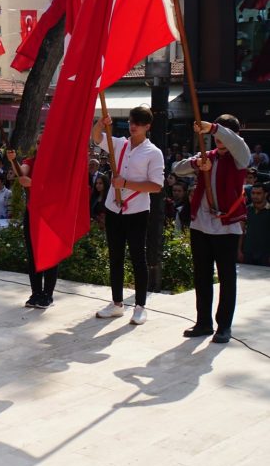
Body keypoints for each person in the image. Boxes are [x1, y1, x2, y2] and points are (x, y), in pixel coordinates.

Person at [173, 116, 251, 343]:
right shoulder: (208, 157)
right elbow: (177, 168)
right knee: (202, 276)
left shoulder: (240, 157)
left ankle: (224, 326)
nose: (218, 139)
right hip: (201, 226)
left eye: (223, 134)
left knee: (227, 278)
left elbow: (236, 144)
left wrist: (215, 128)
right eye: (215, 135)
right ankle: (203, 322)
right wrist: (198, 164)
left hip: (227, 227)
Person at [92, 107, 164, 325]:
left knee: (137, 258)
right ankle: (116, 304)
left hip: (137, 211)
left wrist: (126, 184)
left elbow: (156, 186)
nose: (134, 126)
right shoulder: (120, 144)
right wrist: (100, 123)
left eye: (140, 123)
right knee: (115, 256)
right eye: (133, 121)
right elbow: (96, 139)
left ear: (148, 126)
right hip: (114, 209)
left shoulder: (153, 152)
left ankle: (140, 306)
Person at [9, 147, 59, 309]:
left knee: (50, 255)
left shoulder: (55, 164)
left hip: (50, 214)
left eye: (42, 142)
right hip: (32, 213)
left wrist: (34, 184)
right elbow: (22, 172)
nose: (39, 144)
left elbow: (57, 188)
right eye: (38, 141)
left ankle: (48, 295)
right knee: (32, 255)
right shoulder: (32, 160)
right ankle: (36, 292)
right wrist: (12, 159)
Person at [241, 182, 269, 266]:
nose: (255, 196)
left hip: (266, 255)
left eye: (258, 193)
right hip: (248, 253)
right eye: (253, 193)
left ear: (266, 194)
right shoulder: (245, 210)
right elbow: (241, 231)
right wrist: (238, 251)